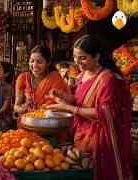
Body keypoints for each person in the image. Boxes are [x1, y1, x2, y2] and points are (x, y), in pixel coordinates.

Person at [48, 35, 133, 180]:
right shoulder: (83, 74)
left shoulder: (108, 79)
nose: (77, 62)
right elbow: (79, 100)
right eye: (75, 57)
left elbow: (106, 113)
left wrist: (70, 109)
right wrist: (62, 96)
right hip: (82, 136)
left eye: (82, 57)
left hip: (100, 140)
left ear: (97, 57)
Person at [14, 45, 71, 128]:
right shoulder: (23, 78)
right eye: (32, 61)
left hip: (50, 124)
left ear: (48, 63)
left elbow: (64, 105)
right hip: (28, 124)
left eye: (39, 62)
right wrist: (21, 109)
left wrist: (45, 112)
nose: (34, 65)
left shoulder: (55, 79)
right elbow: (16, 106)